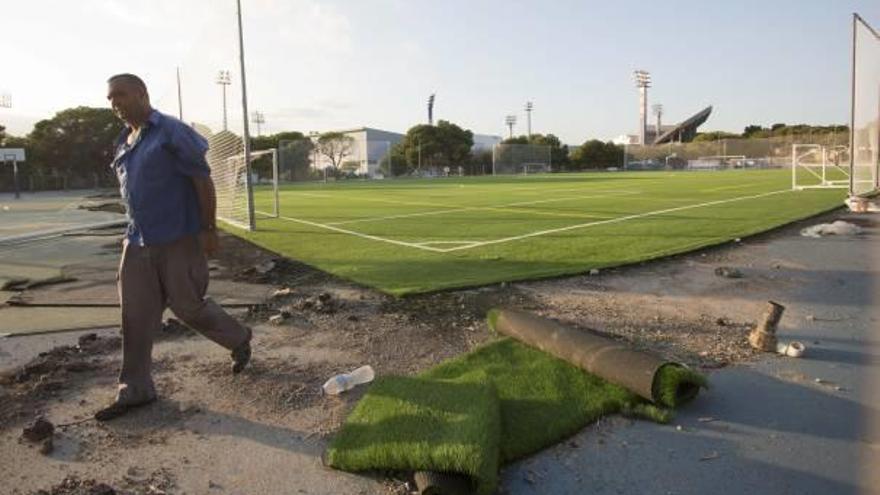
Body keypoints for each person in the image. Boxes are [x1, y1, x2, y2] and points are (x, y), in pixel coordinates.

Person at [96, 73, 252, 421]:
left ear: (141, 93)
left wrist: (209, 229)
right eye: (110, 98)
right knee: (134, 316)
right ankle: (135, 390)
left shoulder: (171, 131)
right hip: (136, 241)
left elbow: (202, 178)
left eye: (120, 95)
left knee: (188, 306)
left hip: (179, 238)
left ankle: (238, 338)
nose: (114, 104)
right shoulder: (124, 141)